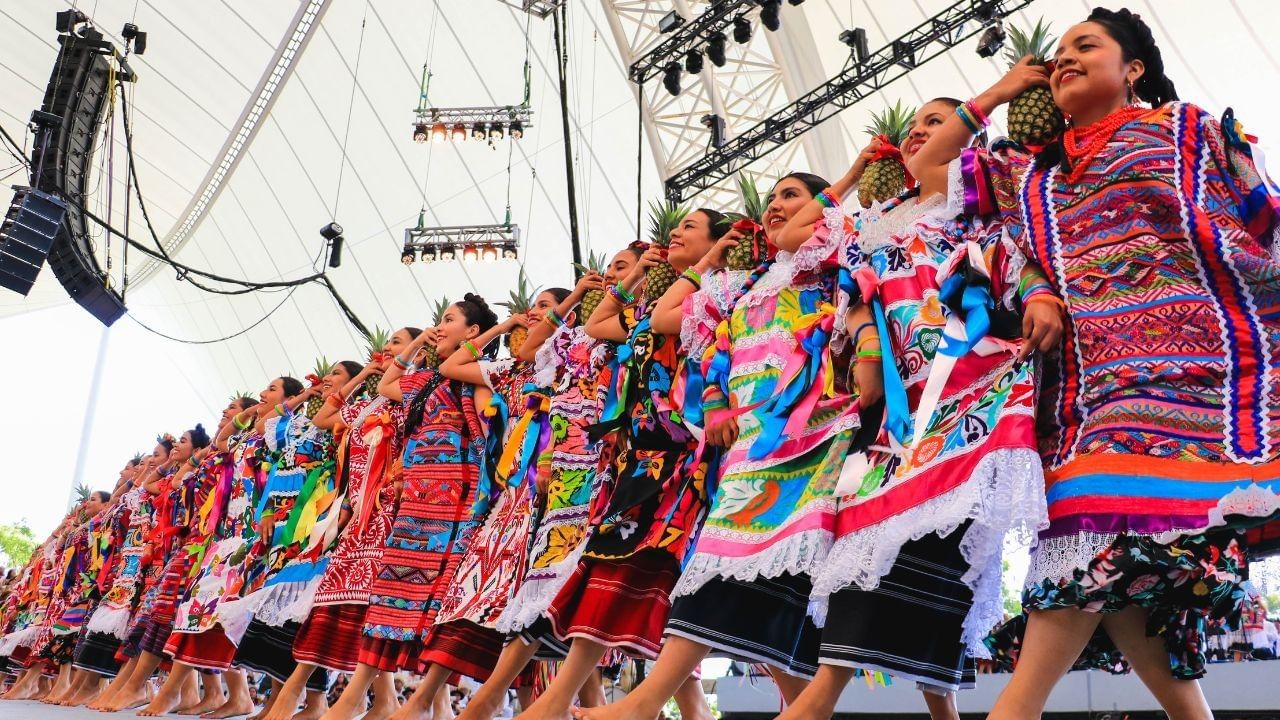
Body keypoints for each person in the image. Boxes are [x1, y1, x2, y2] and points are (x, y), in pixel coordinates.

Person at [910, 7, 1280, 719]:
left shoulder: (1186, 129)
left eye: (1086, 46)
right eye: (1057, 53)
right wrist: (999, 91)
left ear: (1132, 68)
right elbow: (927, 169)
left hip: (1186, 377)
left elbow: (1259, 213)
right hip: (1083, 391)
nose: (1065, 58)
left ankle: (1013, 709)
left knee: (1086, 531)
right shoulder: (1024, 171)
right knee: (1124, 581)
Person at [575, 173, 863, 720]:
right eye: (772, 198)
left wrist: (847, 180)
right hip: (745, 441)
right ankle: (802, 709)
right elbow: (669, 324)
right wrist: (715, 401)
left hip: (810, 431)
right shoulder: (746, 284)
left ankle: (646, 702)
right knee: (734, 569)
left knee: (738, 566)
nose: (776, 207)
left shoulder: (833, 253)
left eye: (790, 197)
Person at [518, 211, 727, 720]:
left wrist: (706, 265)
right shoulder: (658, 302)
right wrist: (633, 278)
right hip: (641, 458)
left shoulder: (718, 293)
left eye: (691, 228)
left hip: (689, 453)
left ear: (718, 243)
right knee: (613, 567)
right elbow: (596, 325)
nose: (674, 233)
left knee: (665, 577)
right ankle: (565, 702)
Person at [456, 250, 642, 720]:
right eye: (614, 268)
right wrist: (577, 294)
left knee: (582, 574)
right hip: (564, 467)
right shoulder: (573, 337)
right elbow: (525, 350)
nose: (612, 275)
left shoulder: (634, 326)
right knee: (559, 573)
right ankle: (514, 698)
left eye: (624, 267)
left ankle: (497, 698)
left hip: (610, 463)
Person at [320, 297, 498, 720]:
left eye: (448, 321)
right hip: (415, 500)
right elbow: (386, 386)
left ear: (472, 333)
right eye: (437, 322)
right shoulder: (428, 380)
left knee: (438, 599)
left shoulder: (478, 376)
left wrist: (490, 333)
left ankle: (420, 703)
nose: (439, 328)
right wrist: (420, 340)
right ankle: (387, 703)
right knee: (394, 594)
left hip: (457, 502)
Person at [268, 329, 420, 720]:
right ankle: (377, 700)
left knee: (365, 601)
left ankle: (329, 696)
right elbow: (323, 418)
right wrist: (363, 375)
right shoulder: (370, 405)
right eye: (386, 346)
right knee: (339, 598)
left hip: (391, 510)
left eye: (398, 344)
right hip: (355, 513)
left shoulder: (414, 395)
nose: (387, 350)